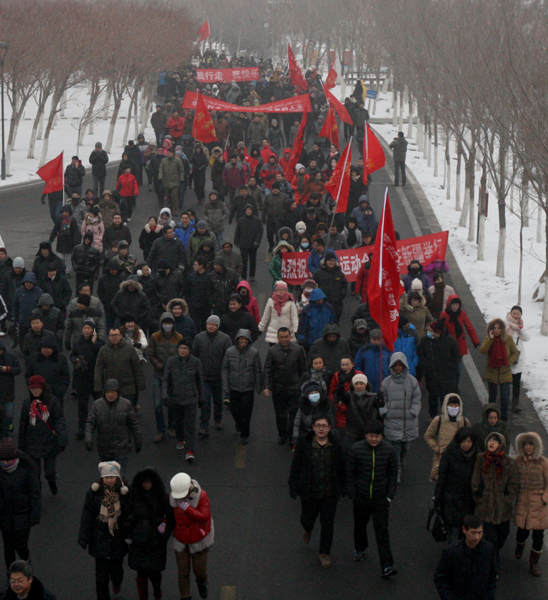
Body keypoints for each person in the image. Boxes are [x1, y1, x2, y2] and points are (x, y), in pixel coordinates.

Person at [288, 415, 345, 569]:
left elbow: (342, 466)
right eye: (318, 425)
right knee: (307, 518)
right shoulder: (304, 442)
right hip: (309, 492)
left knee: (328, 523)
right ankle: (308, 528)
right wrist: (293, 485)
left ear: (330, 428)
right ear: (312, 427)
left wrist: (345, 486)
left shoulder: (336, 444)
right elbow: (296, 465)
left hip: (329, 493)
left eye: (324, 426)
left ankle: (324, 553)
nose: (321, 429)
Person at [346, 420, 398, 577]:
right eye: (371, 436)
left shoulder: (389, 451)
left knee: (382, 531)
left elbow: (393, 474)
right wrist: (353, 493)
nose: (373, 439)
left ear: (382, 436)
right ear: (365, 435)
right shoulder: (356, 449)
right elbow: (350, 473)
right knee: (360, 525)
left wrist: (389, 496)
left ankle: (387, 564)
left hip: (380, 498)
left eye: (377, 436)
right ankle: (360, 548)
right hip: (361, 496)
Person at [78, 461, 130, 600]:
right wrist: (83, 536)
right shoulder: (94, 494)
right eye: (106, 477)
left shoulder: (124, 494)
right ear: (101, 479)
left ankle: (117, 582)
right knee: (101, 576)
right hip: (99, 539)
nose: (109, 480)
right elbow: (87, 515)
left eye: (111, 477)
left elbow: (129, 516)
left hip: (118, 539)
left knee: (116, 571)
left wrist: (130, 534)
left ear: (117, 478)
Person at [471, 431, 519, 565]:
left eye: (495, 441)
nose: (491, 443)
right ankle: (493, 562)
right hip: (485, 506)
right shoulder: (481, 458)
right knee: (491, 538)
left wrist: (507, 499)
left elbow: (514, 483)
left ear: (501, 445)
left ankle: (493, 554)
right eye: (490, 440)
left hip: (502, 509)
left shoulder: (509, 462)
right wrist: (478, 496)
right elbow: (475, 479)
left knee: (502, 535)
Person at [126, 469, 175, 600]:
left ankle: (157, 594)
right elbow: (128, 516)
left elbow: (171, 519)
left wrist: (164, 535)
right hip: (139, 539)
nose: (146, 485)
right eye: (144, 483)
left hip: (156, 540)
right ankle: (143, 597)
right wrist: (130, 533)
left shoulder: (162, 498)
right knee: (141, 572)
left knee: (155, 573)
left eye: (149, 483)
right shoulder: (135, 497)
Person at [18, 375, 67, 495]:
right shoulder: (27, 404)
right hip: (32, 443)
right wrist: (21, 445)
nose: (35, 391)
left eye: (37, 388)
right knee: (35, 473)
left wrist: (62, 440)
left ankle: (52, 482)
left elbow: (59, 421)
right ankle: (37, 494)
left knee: (49, 472)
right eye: (32, 389)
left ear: (43, 388)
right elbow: (23, 424)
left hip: (49, 442)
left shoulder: (53, 402)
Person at [169, 473, 213, 600]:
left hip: (198, 539)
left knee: (200, 572)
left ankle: (201, 582)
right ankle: (186, 596)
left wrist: (187, 508)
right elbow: (170, 516)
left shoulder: (202, 495)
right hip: (181, 540)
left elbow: (204, 517)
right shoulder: (172, 498)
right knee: (183, 572)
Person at [379, 353, 421, 483]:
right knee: (394, 450)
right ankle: (396, 473)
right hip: (392, 422)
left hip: (408, 422)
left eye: (400, 365)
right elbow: (382, 400)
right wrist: (385, 412)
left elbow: (417, 399)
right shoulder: (386, 382)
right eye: (395, 365)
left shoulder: (412, 381)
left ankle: (402, 461)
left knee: (405, 448)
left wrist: (413, 412)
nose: (397, 368)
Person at [0, 437, 41, 572]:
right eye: (3, 460)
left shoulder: (26, 468)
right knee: (8, 548)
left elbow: (35, 493)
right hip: (5, 517)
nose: (5, 463)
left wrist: (35, 514)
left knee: (21, 546)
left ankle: (26, 570)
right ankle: (11, 576)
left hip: (22, 516)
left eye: (8, 460)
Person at [434, 515, 497, 600]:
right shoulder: (452, 552)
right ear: (464, 530)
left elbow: (492, 575)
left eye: (480, 532)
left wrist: (489, 596)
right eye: (473, 533)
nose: (477, 537)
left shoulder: (488, 550)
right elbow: (440, 578)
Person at [85, 379, 142, 473]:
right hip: (104, 449)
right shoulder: (97, 405)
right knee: (107, 477)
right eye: (108, 392)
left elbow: (134, 424)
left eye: (113, 392)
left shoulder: (126, 405)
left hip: (121, 449)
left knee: (120, 476)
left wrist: (138, 441)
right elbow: (90, 423)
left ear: (118, 392)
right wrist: (88, 439)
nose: (110, 395)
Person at [434, 427, 479, 544]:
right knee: (453, 534)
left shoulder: (477, 456)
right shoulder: (449, 453)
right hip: (451, 500)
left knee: (466, 534)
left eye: (469, 441)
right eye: (463, 441)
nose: (466, 444)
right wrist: (437, 498)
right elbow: (442, 477)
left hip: (469, 501)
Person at [264, 327, 307, 444]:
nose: (284, 339)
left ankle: (292, 436)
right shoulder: (272, 351)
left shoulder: (298, 350)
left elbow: (303, 370)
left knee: (294, 414)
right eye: (281, 337)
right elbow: (268, 370)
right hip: (278, 389)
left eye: (286, 337)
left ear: (290, 336)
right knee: (280, 415)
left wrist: (303, 386)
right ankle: (282, 435)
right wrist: (267, 386)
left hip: (294, 388)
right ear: (278, 338)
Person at [513, 431, 548, 576]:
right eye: (525, 444)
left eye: (531, 444)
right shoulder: (518, 461)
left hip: (539, 504)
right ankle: (520, 546)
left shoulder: (544, 463)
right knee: (522, 532)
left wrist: (544, 498)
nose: (528, 447)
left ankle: (534, 563)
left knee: (538, 536)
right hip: (522, 501)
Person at [163, 339, 203, 461]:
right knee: (178, 422)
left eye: (185, 348)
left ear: (189, 350)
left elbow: (200, 381)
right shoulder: (171, 362)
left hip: (190, 399)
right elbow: (165, 379)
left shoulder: (196, 362)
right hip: (175, 398)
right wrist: (165, 395)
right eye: (181, 348)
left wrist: (202, 397)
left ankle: (190, 450)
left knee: (190, 425)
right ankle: (180, 438)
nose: (182, 350)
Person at [192, 316, 232, 436]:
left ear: (217, 326)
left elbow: (229, 357)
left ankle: (218, 420)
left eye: (213, 324)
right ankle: (204, 426)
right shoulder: (199, 338)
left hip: (219, 376)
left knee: (218, 400)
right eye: (209, 324)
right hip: (204, 377)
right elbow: (194, 355)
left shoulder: (225, 339)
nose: (210, 326)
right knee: (205, 402)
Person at [221, 329, 262, 445]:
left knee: (246, 413)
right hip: (234, 387)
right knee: (235, 411)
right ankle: (238, 424)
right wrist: (225, 386)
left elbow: (258, 371)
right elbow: (225, 369)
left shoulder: (254, 353)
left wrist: (258, 387)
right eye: (241, 339)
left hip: (248, 389)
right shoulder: (230, 352)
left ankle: (245, 434)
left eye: (245, 339)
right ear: (237, 340)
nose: (243, 341)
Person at [418, 320, 460, 419]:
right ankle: (432, 416)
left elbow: (456, 356)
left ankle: (445, 417)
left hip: (446, 376)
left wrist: (450, 368)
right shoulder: (425, 340)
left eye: (431, 331)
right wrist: (426, 365)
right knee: (432, 396)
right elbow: (421, 353)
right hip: (431, 375)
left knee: (445, 397)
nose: (429, 332)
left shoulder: (449, 340)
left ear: (438, 332)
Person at [94, 327, 146, 408]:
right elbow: (98, 369)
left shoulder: (129, 349)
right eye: (112, 335)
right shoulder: (103, 350)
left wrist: (141, 385)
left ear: (121, 336)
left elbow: (137, 368)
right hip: (111, 388)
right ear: (108, 337)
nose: (114, 337)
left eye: (116, 335)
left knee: (128, 412)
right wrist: (98, 386)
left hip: (128, 388)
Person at [479, 318, 519, 422]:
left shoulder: (508, 339)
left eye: (499, 328)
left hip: (505, 373)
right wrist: (490, 339)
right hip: (491, 373)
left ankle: (503, 420)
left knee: (505, 398)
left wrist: (509, 362)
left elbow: (515, 352)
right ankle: (490, 419)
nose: (497, 330)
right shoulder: (489, 339)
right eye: (494, 328)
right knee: (492, 399)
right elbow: (482, 350)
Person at [424, 393, 471, 481]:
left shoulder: (464, 421)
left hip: (459, 460)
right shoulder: (438, 420)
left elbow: (470, 438)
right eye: (451, 405)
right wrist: (436, 448)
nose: (454, 407)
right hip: (442, 460)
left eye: (456, 405)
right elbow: (428, 436)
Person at [71, 318, 104, 440]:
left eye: (88, 328)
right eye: (84, 328)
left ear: (93, 330)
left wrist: (95, 342)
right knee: (82, 404)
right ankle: (82, 427)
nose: (86, 331)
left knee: (99, 404)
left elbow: (101, 353)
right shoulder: (77, 342)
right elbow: (72, 354)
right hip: (81, 377)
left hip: (95, 377)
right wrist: (76, 361)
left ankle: (101, 426)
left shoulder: (99, 343)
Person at [440, 295, 480, 382]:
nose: (455, 307)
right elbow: (439, 329)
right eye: (453, 304)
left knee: (457, 368)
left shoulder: (462, 314)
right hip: (448, 345)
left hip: (459, 345)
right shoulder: (444, 315)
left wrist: (475, 341)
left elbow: (469, 327)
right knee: (448, 367)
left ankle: (455, 385)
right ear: (449, 305)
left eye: (456, 305)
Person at [25, 337, 70, 407]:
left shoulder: (61, 359)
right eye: (43, 348)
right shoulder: (33, 359)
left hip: (56, 395)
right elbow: (28, 376)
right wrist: (32, 390)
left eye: (48, 348)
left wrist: (61, 391)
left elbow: (65, 377)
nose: (45, 351)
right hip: (37, 395)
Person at [506, 305, 529, 413]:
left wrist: (521, 327)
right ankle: (504, 401)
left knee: (516, 382)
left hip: (518, 358)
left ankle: (515, 403)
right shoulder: (505, 323)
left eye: (517, 314)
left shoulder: (521, 326)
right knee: (505, 381)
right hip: (507, 356)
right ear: (510, 313)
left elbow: (527, 338)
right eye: (514, 313)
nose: (515, 315)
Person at [312, 250, 348, 322]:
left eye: (333, 261)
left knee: (335, 323)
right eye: (329, 261)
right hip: (323, 303)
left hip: (337, 304)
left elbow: (344, 285)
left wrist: (341, 296)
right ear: (325, 261)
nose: (331, 263)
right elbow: (314, 286)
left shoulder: (339, 273)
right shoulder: (318, 273)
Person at [12, 274, 43, 350]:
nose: (28, 284)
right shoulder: (19, 291)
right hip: (23, 320)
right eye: (27, 282)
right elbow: (15, 305)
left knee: (36, 338)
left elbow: (41, 306)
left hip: (35, 321)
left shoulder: (39, 292)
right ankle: (23, 350)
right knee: (22, 337)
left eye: (30, 282)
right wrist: (14, 317)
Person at [354, 329, 392, 393]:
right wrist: (361, 378)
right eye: (374, 339)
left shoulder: (387, 351)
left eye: (378, 339)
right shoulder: (363, 350)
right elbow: (357, 365)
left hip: (384, 383)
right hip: (367, 383)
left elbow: (391, 367)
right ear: (370, 339)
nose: (376, 341)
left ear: (382, 339)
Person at [234, 205, 263, 281]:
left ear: (252, 211)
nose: (248, 211)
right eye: (247, 210)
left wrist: (257, 241)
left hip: (253, 244)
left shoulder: (257, 220)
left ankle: (252, 275)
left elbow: (260, 232)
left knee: (253, 260)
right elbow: (238, 231)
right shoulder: (241, 220)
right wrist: (236, 241)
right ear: (244, 211)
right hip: (243, 244)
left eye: (250, 210)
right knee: (244, 261)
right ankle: (243, 276)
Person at [0, 338, 21, 432]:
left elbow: (18, 369)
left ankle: (9, 424)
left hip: (8, 391)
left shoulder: (11, 356)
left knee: (9, 414)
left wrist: (8, 369)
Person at [159, 148, 185, 214]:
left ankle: (175, 210)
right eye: (167, 153)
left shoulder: (177, 160)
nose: (167, 154)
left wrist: (181, 178)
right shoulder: (164, 160)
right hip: (166, 181)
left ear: (173, 153)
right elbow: (161, 169)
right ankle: (168, 210)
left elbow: (181, 170)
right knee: (168, 197)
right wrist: (160, 177)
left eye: (169, 153)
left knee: (174, 197)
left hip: (175, 182)